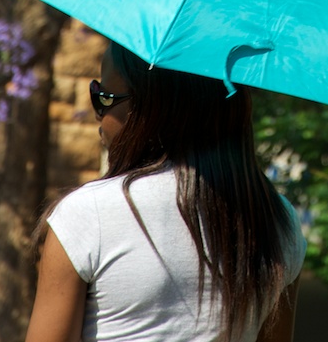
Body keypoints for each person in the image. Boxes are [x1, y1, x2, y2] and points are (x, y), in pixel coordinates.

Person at [25, 41, 306, 342]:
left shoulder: (87, 216)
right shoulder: (277, 220)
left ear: (154, 109)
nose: (98, 116)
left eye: (103, 98)